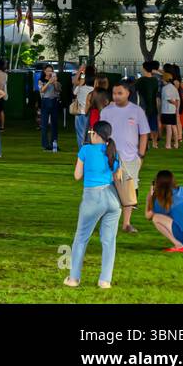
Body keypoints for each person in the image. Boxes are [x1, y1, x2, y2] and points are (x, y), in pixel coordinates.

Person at [64, 120, 123, 289]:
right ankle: (105, 280)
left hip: (92, 198)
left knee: (81, 238)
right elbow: (117, 176)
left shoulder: (86, 150)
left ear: (96, 134)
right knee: (109, 241)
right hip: (112, 199)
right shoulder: (113, 152)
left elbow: (77, 175)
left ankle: (74, 278)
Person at [98, 83, 150, 233]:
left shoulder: (137, 110)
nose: (116, 96)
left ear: (128, 93)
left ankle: (126, 223)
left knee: (129, 191)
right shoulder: (107, 111)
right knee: (107, 190)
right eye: (114, 93)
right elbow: (100, 133)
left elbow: (144, 133)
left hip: (131, 158)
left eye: (120, 93)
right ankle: (107, 223)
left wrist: (140, 154)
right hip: (109, 156)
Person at [137, 61, 161, 145]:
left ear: (144, 68)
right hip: (153, 104)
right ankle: (154, 142)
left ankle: (145, 142)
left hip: (144, 105)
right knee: (153, 124)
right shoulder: (155, 80)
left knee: (144, 125)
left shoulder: (141, 80)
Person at [39, 65, 61, 151]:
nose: (49, 72)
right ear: (44, 71)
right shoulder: (41, 80)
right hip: (45, 101)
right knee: (44, 124)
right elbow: (42, 90)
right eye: (48, 70)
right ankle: (45, 144)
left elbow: (58, 90)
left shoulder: (55, 80)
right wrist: (48, 82)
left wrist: (55, 82)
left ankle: (54, 143)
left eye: (51, 71)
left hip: (54, 101)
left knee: (54, 124)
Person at [71, 69, 93, 149]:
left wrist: (82, 75)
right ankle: (87, 151)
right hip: (89, 113)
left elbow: (74, 92)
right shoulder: (93, 89)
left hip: (79, 113)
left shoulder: (80, 88)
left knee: (80, 134)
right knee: (88, 134)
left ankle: (82, 151)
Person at [159, 70, 182, 150]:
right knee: (173, 127)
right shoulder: (174, 88)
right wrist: (177, 109)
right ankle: (176, 143)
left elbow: (168, 99)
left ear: (165, 79)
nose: (161, 80)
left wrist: (173, 103)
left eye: (162, 79)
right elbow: (178, 99)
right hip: (173, 110)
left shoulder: (165, 88)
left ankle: (168, 144)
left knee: (168, 128)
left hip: (167, 110)